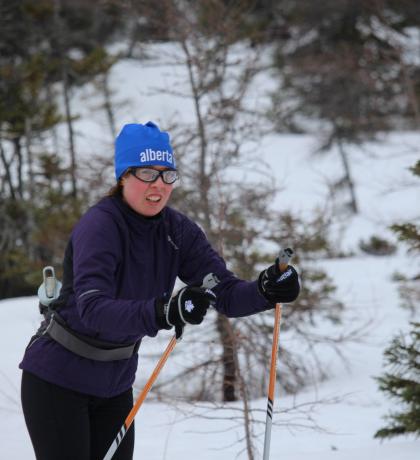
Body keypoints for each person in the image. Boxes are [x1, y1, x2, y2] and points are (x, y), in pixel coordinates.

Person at [19, 121, 300, 460]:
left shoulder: (177, 232)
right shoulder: (101, 226)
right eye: (147, 174)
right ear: (124, 176)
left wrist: (265, 290)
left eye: (167, 174)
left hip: (114, 386)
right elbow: (93, 309)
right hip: (58, 381)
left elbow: (223, 291)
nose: (159, 185)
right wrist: (164, 310)